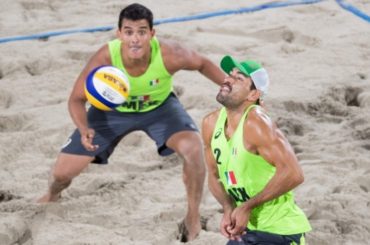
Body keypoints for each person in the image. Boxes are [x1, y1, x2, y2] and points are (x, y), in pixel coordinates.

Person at [37, 3, 224, 242]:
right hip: (111, 113)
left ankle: (193, 217)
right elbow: (75, 100)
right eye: (129, 32)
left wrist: (231, 87)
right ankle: (52, 195)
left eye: (141, 32)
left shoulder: (170, 54)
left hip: (160, 108)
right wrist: (84, 129)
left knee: (194, 149)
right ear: (119, 34)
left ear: (152, 34)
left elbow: (204, 64)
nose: (135, 39)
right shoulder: (106, 57)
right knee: (62, 174)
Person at [202, 55, 311, 244]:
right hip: (248, 230)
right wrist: (228, 208)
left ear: (253, 95)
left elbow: (294, 174)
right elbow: (213, 174)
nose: (227, 80)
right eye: (229, 75)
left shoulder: (257, 124)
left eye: (238, 78)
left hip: (279, 230)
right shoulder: (210, 123)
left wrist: (247, 206)